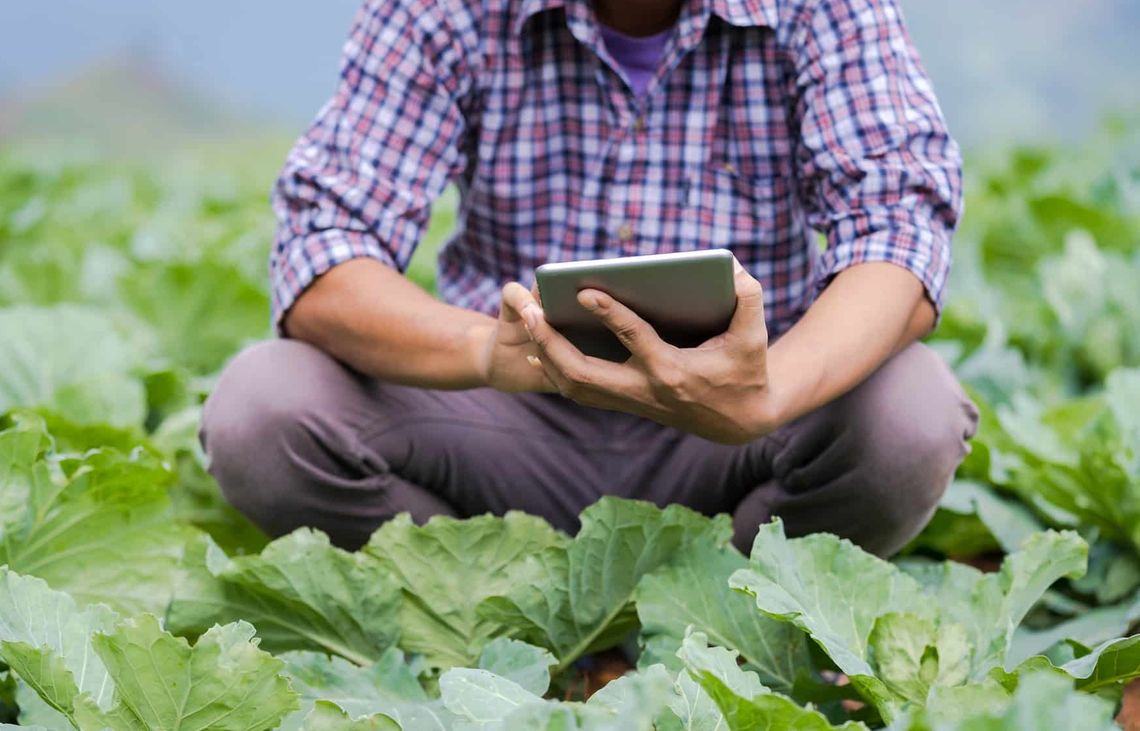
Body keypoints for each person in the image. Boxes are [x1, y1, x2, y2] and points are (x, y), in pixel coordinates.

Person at [200, 0, 979, 557]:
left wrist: (771, 390)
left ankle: (728, 604)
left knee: (908, 416)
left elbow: (898, 224)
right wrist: (485, 350)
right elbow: (323, 243)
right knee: (264, 407)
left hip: (736, 427)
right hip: (505, 422)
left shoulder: (821, 8)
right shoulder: (445, 9)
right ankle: (491, 597)